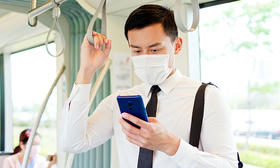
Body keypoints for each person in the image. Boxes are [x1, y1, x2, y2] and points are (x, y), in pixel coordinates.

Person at [61, 4, 239, 168]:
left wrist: (171, 145)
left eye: (154, 50)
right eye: (137, 50)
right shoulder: (118, 100)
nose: (145, 57)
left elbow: (228, 165)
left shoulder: (207, 96)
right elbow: (73, 143)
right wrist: (86, 70)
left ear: (177, 46)